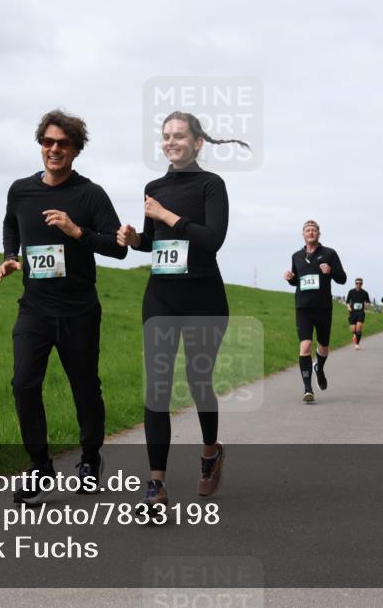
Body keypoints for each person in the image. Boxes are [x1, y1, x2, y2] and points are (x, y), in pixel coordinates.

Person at [117, 111, 249, 514]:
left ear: (197, 142)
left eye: (179, 136)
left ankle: (210, 451)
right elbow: (155, 240)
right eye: (166, 136)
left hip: (203, 298)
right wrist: (135, 238)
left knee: (197, 380)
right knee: (158, 386)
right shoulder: (154, 188)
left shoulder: (212, 185)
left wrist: (165, 215)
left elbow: (212, 239)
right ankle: (156, 484)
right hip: (161, 295)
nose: (171, 142)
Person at [0, 109, 127, 504]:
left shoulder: (91, 194)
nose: (54, 149)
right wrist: (10, 255)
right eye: (48, 142)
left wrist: (76, 231)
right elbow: (11, 224)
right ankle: (40, 465)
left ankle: (90, 457)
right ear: (41, 145)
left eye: (63, 143)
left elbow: (118, 248)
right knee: (23, 384)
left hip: (78, 310)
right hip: (34, 308)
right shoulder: (21, 190)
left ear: (76, 149)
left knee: (84, 386)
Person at [284, 221, 347, 402]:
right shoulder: (296, 256)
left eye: (314, 230)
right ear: (303, 234)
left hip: (323, 307)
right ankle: (308, 389)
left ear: (319, 234)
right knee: (305, 346)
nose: (310, 233)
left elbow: (342, 278)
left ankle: (319, 367)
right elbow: (297, 280)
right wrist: (291, 278)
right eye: (307, 230)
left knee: (323, 347)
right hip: (303, 307)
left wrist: (331, 270)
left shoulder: (329, 253)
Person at [345, 278, 371, 351]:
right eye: (357, 283)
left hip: (361, 312)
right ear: (355, 284)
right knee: (353, 329)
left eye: (360, 283)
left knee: (359, 328)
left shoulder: (365, 293)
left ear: (362, 284)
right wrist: (348, 307)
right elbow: (347, 301)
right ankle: (354, 334)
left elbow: (368, 302)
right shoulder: (351, 292)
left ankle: (357, 344)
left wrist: (366, 306)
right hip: (352, 312)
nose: (358, 285)